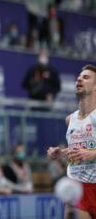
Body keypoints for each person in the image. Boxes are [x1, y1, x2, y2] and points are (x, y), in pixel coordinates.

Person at [47, 64, 96, 218]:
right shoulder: (70, 119)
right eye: (79, 77)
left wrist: (92, 154)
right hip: (77, 187)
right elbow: (78, 149)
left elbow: (88, 151)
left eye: (86, 77)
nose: (80, 79)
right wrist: (60, 153)